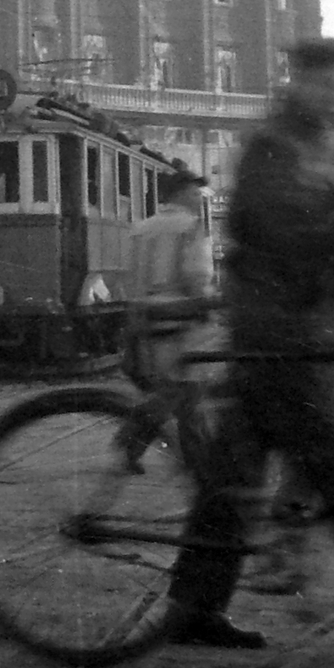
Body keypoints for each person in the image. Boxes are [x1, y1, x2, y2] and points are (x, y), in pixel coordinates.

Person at [162, 39, 334, 649]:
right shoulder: (275, 147)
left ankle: (192, 608)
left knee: (233, 472)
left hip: (286, 329)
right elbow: (294, 233)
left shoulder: (313, 146)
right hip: (274, 331)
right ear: (300, 81)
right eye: (325, 82)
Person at [116, 169, 216, 470]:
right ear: (181, 193)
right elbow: (196, 278)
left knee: (171, 392)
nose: (199, 200)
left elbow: (129, 277)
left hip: (146, 320)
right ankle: (196, 462)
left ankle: (136, 446)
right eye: (196, 194)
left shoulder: (141, 228)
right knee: (186, 392)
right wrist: (210, 304)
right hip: (180, 322)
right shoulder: (190, 226)